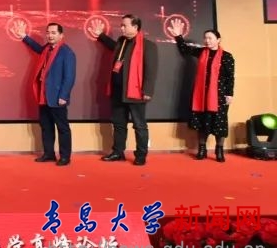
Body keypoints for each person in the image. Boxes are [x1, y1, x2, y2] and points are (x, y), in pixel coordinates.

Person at [88, 14, 157, 166]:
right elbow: (113, 48)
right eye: (122, 25)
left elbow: (151, 70)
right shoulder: (122, 42)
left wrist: (148, 91)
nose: (122, 28)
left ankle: (141, 155)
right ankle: (118, 152)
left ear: (135, 27)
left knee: (139, 125)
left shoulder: (148, 45)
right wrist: (101, 36)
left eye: (125, 25)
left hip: (136, 92)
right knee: (119, 124)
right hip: (118, 91)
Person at [169, 19, 234, 162]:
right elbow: (185, 49)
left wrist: (230, 94)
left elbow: (230, 77)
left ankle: (219, 150)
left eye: (210, 38)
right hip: (202, 95)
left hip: (219, 96)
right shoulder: (201, 52)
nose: (207, 41)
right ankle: (202, 150)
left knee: (220, 124)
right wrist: (178, 36)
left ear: (218, 40)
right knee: (203, 122)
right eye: (205, 38)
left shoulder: (227, 56)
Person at [14, 22, 76, 166]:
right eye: (48, 32)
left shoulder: (67, 52)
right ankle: (49, 154)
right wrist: (24, 36)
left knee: (62, 128)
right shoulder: (47, 49)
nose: (50, 35)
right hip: (44, 95)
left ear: (61, 35)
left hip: (57, 97)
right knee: (46, 126)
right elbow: (38, 48)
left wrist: (64, 96)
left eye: (54, 33)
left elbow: (69, 77)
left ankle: (65, 156)